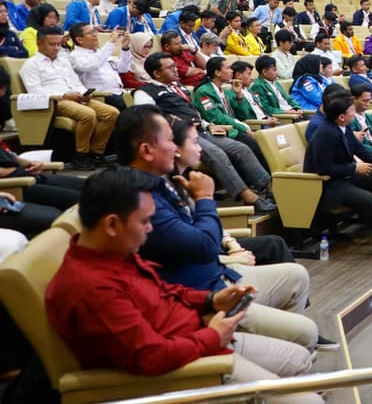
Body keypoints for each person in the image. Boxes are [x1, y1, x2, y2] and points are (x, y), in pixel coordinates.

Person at [44, 167, 322, 403]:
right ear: (112, 224)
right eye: (144, 222)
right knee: (310, 400)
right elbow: (150, 357)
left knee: (300, 358)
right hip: (185, 369)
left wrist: (210, 300)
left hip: (197, 336)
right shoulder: (92, 288)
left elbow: (164, 289)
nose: (150, 229)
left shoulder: (114, 253)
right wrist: (212, 337)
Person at [115, 108, 328, 353]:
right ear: (146, 150)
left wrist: (228, 246)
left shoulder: (165, 184)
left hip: (215, 277)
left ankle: (280, 342)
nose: (176, 149)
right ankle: (282, 348)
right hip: (203, 290)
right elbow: (200, 246)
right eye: (172, 141)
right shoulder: (143, 199)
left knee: (296, 275)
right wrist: (206, 199)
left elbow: (201, 234)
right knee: (304, 334)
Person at [134, 53, 275, 212]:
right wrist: (178, 128)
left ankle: (271, 189)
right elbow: (148, 121)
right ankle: (250, 197)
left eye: (175, 66)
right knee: (217, 153)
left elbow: (193, 112)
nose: (176, 70)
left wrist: (208, 125)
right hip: (181, 136)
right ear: (157, 73)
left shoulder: (178, 87)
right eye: (170, 68)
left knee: (240, 148)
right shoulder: (145, 92)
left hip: (201, 130)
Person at [304, 93, 372, 252]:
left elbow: (360, 150)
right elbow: (322, 168)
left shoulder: (343, 127)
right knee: (367, 199)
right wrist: (354, 168)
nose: (354, 112)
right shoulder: (326, 134)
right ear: (342, 117)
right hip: (326, 184)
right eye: (351, 110)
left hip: (343, 177)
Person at [20, 26, 119, 169]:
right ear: (39, 43)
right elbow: (35, 91)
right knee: (88, 114)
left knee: (111, 113)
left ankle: (96, 153)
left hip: (75, 97)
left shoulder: (63, 61)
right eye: (52, 44)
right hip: (55, 101)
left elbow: (76, 83)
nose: (56, 48)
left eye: (58, 44)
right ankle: (80, 155)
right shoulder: (31, 65)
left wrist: (84, 93)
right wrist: (64, 95)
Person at [69, 24, 130, 110]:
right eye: (90, 32)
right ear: (79, 40)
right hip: (101, 96)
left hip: (120, 93)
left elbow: (123, 68)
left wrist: (125, 48)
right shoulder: (75, 56)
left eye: (94, 31)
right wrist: (111, 41)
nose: (95, 34)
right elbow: (94, 65)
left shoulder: (101, 53)